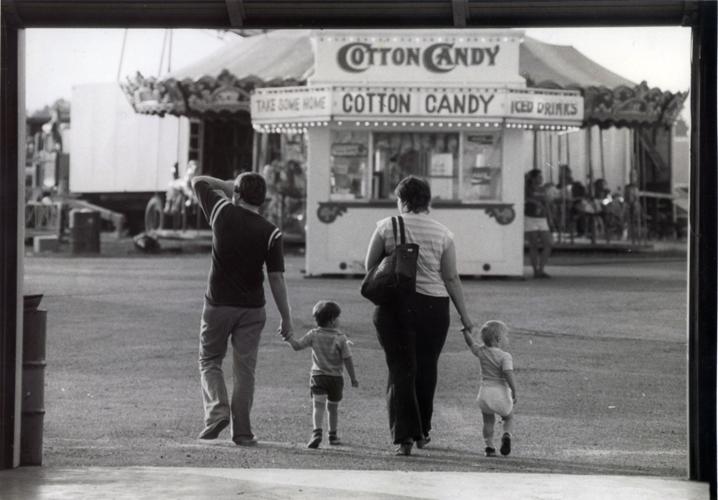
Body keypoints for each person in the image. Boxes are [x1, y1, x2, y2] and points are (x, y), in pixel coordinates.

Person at [364, 175, 478, 456]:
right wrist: (465, 316)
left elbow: (370, 266)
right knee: (427, 368)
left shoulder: (387, 226)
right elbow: (451, 278)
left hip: (394, 306)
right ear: (428, 202)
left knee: (400, 369)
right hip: (434, 307)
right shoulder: (443, 233)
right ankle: (423, 432)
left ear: (401, 200)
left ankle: (403, 437)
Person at [191, 172, 294, 446]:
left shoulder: (222, 212)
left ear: (237, 194)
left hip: (218, 304)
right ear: (263, 199)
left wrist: (228, 185)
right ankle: (243, 432)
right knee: (245, 371)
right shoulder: (272, 231)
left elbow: (198, 181)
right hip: (252, 309)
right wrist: (286, 317)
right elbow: (276, 278)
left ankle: (216, 413)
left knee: (210, 360)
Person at [285, 300, 359, 449]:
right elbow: (347, 360)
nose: (340, 320)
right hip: (335, 379)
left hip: (318, 377)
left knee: (317, 406)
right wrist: (353, 378)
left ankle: (316, 432)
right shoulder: (341, 338)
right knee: (332, 407)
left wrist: (289, 338)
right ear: (332, 320)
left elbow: (298, 346)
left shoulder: (314, 334)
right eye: (338, 317)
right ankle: (332, 435)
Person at [461, 320, 517, 457]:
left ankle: (489, 447)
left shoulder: (481, 352)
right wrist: (514, 390)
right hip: (500, 393)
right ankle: (506, 435)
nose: (507, 339)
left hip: (485, 394)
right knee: (508, 417)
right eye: (506, 337)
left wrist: (465, 332)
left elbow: (471, 344)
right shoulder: (505, 356)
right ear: (498, 339)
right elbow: (508, 373)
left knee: (487, 421)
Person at [524, 169, 553, 279]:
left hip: (542, 218)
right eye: (539, 177)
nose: (541, 179)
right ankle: (536, 270)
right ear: (533, 178)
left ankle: (541, 268)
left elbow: (546, 203)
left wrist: (550, 217)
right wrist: (535, 202)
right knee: (534, 245)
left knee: (548, 243)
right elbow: (526, 198)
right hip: (530, 217)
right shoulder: (527, 189)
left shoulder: (543, 189)